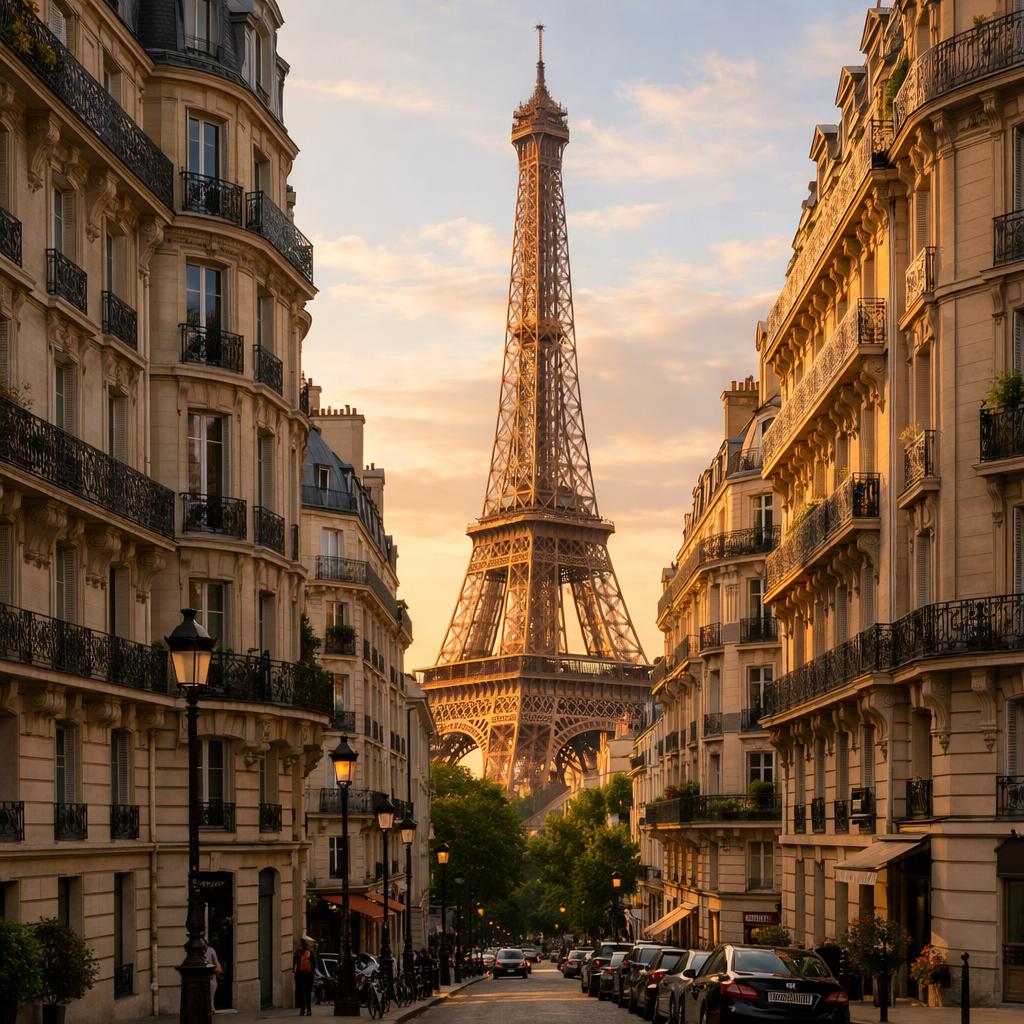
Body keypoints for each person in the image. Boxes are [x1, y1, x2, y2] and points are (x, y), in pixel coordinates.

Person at [293, 935, 316, 1016]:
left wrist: (294, 971)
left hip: (301, 974)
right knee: (306, 992)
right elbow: (314, 963)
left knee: (301, 992)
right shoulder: (310, 952)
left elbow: (294, 963)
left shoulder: (298, 952)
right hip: (307, 974)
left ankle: (303, 1009)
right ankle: (308, 1010)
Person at [204, 940, 222, 1019]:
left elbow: (219, 969)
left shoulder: (211, 951)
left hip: (211, 980)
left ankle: (211, 1011)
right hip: (204, 980)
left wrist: (211, 971)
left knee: (210, 1000)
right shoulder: (198, 952)